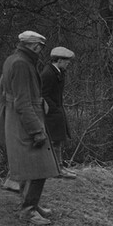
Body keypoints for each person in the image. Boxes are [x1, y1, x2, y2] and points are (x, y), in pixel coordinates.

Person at [0, 30, 61, 225]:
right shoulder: (22, 64)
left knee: (29, 167)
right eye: (40, 47)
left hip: (17, 120)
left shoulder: (14, 59)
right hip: (25, 122)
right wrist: (36, 130)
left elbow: (8, 92)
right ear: (33, 46)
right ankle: (28, 210)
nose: (41, 50)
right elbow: (23, 102)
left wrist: (41, 102)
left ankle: (32, 203)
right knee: (39, 167)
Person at [40, 46, 77, 179]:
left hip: (55, 111)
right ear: (59, 60)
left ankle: (58, 167)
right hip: (50, 113)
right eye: (66, 61)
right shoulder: (48, 73)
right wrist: (54, 108)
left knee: (57, 140)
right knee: (54, 141)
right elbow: (43, 94)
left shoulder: (58, 72)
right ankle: (56, 168)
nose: (68, 63)